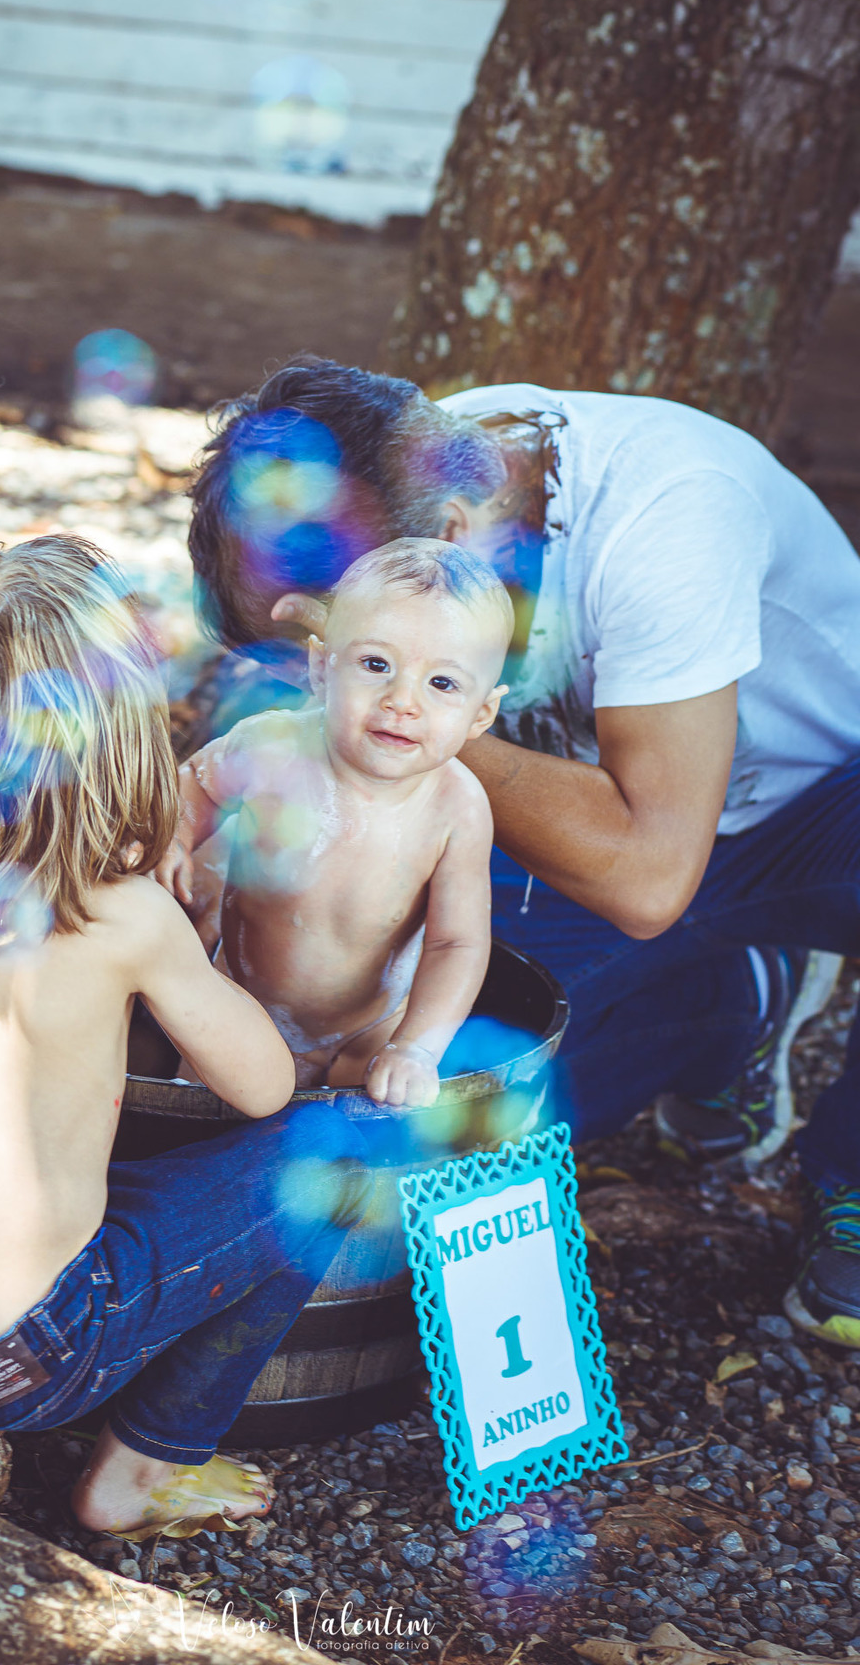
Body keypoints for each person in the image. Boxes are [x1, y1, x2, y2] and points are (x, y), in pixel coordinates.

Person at [186, 356, 860, 1349]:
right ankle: (732, 1005)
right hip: (601, 810)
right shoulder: (411, 495)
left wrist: (410, 718)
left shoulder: (667, 515)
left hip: (813, 811)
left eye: (325, 652)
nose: (310, 690)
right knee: (457, 1082)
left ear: (452, 537)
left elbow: (645, 873)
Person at [0, 535, 371, 1538]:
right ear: (123, 731)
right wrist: (197, 954)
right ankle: (142, 1468)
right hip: (13, 1365)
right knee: (339, 1148)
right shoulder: (123, 914)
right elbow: (264, 1089)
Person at [159, 538, 512, 1106]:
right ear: (323, 666)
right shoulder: (272, 745)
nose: (402, 700)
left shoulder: (458, 807)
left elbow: (457, 944)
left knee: (346, 1159)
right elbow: (193, 788)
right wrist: (172, 841)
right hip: (240, 1013)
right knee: (201, 1139)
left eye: (441, 683)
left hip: (369, 1035)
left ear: (482, 714)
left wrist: (416, 1047)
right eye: (376, 665)